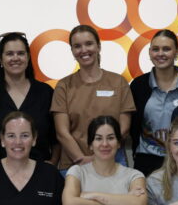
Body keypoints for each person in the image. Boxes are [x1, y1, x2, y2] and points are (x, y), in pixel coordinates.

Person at [51, 25, 135, 173]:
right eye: (77, 46)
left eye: (89, 44)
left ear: (98, 46)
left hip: (113, 162)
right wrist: (82, 160)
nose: (84, 50)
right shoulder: (63, 86)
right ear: (72, 51)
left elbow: (124, 128)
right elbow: (62, 132)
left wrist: (100, 158)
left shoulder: (118, 82)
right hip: (75, 164)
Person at [0, 32, 58, 164]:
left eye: (21, 53)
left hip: (39, 173)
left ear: (28, 57)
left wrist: (53, 161)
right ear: (0, 58)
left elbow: (56, 136)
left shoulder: (45, 92)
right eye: (9, 54)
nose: (15, 58)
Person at [0, 111, 64, 205]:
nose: (18, 142)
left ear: (34, 139)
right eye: (11, 136)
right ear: (2, 140)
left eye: (25, 135)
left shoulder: (51, 175)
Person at [129, 29, 178, 176]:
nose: (160, 54)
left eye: (166, 49)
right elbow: (133, 125)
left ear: (177, 53)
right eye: (155, 49)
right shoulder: (138, 85)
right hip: (147, 162)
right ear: (149, 53)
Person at [62, 116, 147, 205]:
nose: (105, 144)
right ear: (90, 145)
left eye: (110, 138)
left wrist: (93, 195)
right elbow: (69, 204)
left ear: (119, 143)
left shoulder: (134, 176)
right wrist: (123, 203)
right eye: (98, 138)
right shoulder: (77, 172)